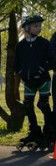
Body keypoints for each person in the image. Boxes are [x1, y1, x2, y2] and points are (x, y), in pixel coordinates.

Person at [13, 15, 53, 147]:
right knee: (28, 106)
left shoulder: (44, 43)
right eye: (36, 26)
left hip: (43, 80)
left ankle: (49, 132)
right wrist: (21, 74)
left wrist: (43, 69)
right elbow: (15, 65)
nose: (39, 28)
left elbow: (52, 61)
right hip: (28, 82)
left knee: (43, 105)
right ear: (26, 28)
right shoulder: (20, 46)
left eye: (40, 25)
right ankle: (34, 132)